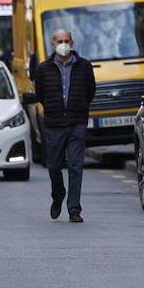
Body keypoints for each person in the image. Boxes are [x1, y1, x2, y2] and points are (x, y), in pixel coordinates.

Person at [33, 30, 96, 223]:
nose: (63, 44)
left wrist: (79, 110)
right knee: (53, 165)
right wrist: (54, 109)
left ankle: (74, 209)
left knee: (76, 166)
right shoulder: (44, 69)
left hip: (77, 123)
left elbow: (90, 91)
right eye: (60, 41)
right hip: (54, 124)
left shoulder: (84, 66)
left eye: (66, 41)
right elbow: (40, 94)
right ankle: (58, 194)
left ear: (72, 42)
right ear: (53, 44)